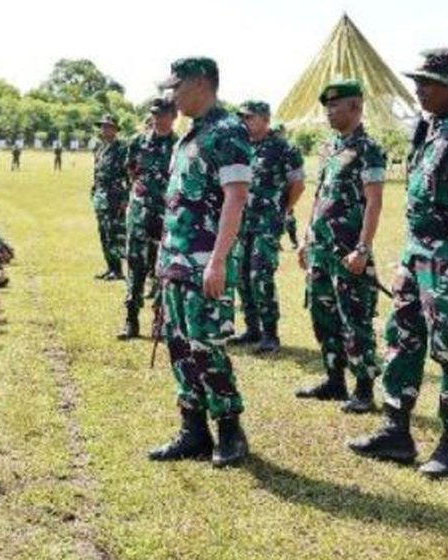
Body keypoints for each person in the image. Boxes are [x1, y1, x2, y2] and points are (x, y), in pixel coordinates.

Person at [349, 48, 448, 478]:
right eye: (418, 81)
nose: (419, 90)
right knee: (402, 339)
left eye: (429, 83)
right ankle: (396, 432)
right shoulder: (430, 126)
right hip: (417, 253)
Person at [148, 57, 252, 468]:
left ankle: (230, 430)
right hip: (176, 261)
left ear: (202, 84)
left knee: (207, 346)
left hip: (204, 261)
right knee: (178, 344)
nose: (171, 96)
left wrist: (218, 261)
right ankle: (193, 429)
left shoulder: (228, 132)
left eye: (178, 87)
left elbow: (236, 197)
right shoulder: (189, 137)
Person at [295, 79, 386, 413]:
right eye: (327, 107)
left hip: (349, 252)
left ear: (356, 107)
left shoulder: (368, 149)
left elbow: (374, 202)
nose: (329, 112)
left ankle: (363, 389)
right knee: (323, 317)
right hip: (321, 249)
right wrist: (306, 238)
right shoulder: (330, 147)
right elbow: (320, 196)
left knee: (355, 319)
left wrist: (362, 249)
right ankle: (334, 380)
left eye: (335, 105)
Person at [234, 100, 304, 353]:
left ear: (265, 119)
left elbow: (298, 184)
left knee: (260, 276)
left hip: (266, 223)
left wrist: (282, 210)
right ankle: (252, 329)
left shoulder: (283, 148)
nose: (245, 122)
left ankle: (270, 334)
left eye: (249, 117)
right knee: (242, 276)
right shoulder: (241, 147)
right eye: (242, 118)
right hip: (242, 223)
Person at [118, 96, 177, 340]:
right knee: (135, 267)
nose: (158, 119)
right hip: (140, 215)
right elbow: (131, 172)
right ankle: (131, 320)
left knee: (162, 270)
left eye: (163, 115)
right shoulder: (137, 143)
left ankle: (160, 321)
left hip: (166, 217)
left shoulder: (180, 144)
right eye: (154, 114)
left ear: (173, 117)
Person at [91, 114, 129, 281]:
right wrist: (93, 192)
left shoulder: (121, 149)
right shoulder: (100, 148)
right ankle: (110, 267)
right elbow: (97, 172)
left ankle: (117, 270)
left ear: (115, 129)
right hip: (100, 197)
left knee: (113, 234)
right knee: (103, 233)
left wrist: (125, 199)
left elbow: (129, 175)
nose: (104, 129)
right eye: (103, 126)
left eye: (108, 126)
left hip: (114, 197)